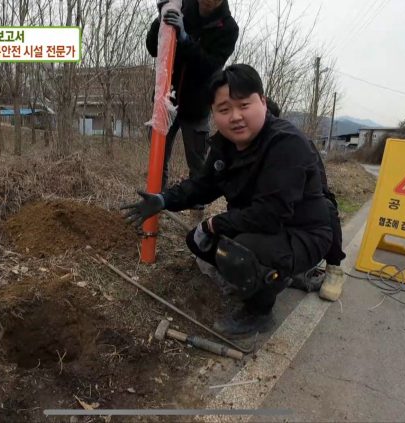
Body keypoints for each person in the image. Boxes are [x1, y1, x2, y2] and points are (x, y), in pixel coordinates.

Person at [122, 64, 332, 337]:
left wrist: (214, 224)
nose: (235, 117)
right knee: (196, 241)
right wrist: (164, 200)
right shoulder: (225, 145)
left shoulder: (286, 144)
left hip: (304, 233)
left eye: (244, 105)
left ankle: (258, 312)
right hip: (260, 228)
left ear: (263, 102)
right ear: (213, 113)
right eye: (224, 109)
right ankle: (273, 277)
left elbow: (269, 215)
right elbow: (203, 185)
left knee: (241, 249)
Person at [146, 0, 239, 221]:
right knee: (157, 160)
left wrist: (185, 38)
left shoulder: (228, 28)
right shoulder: (181, 7)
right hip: (166, 100)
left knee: (198, 167)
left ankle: (197, 223)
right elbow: (153, 48)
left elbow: (209, 66)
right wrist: (161, 20)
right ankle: (152, 215)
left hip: (197, 105)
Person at [264, 98, 347, 301]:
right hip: (269, 211)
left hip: (303, 208)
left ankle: (334, 269)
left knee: (327, 207)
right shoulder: (243, 146)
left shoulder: (299, 143)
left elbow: (320, 191)